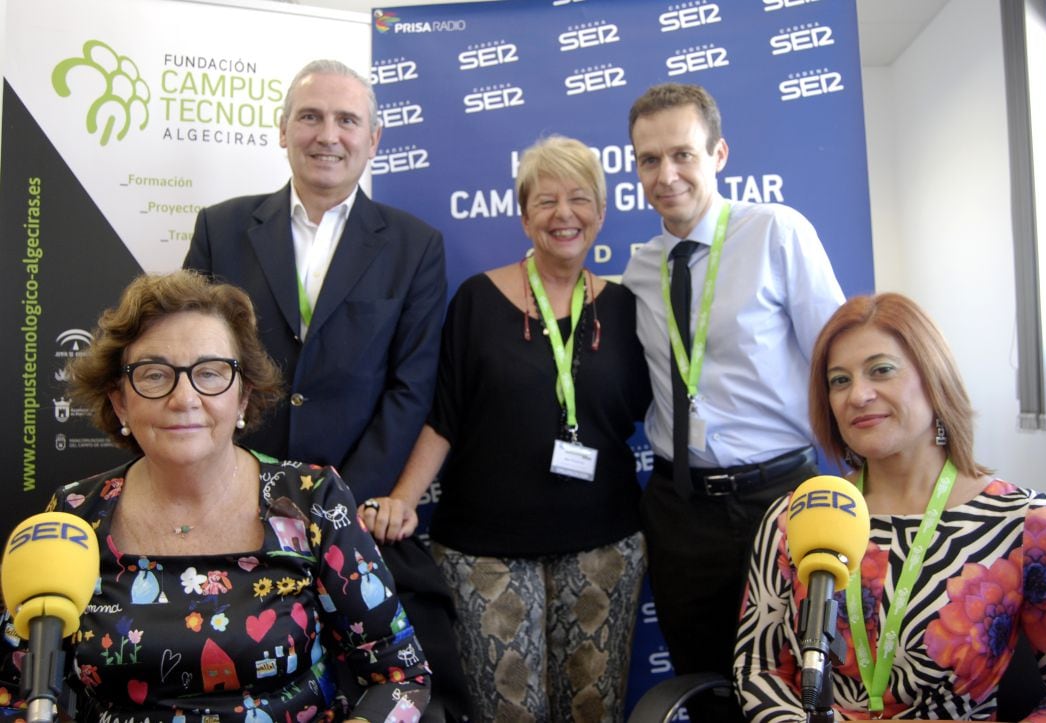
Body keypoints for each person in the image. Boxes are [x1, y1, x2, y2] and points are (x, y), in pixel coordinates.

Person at [0, 270, 430, 722]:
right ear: (120, 401)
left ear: (243, 397)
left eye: (209, 373)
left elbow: (402, 678)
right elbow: (14, 695)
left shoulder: (311, 502)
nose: (184, 397)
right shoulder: (74, 515)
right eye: (153, 374)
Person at [183, 60, 470, 719]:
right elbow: (195, 367)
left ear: (374, 139)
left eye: (348, 120)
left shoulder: (414, 245)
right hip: (232, 504)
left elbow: (412, 383)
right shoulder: (219, 229)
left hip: (358, 509)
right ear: (282, 129)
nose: (327, 134)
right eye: (310, 116)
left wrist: (333, 497)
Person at [363, 135, 651, 722]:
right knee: (506, 711)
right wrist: (401, 499)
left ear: (601, 212)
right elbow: (443, 415)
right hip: (485, 552)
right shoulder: (476, 300)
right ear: (523, 216)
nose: (563, 215)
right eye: (545, 201)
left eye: (579, 199)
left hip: (604, 544)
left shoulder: (626, 307)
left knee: (594, 708)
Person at [735, 292, 1046, 721]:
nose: (857, 395)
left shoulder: (1028, 526)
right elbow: (758, 667)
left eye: (881, 370)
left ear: (933, 379)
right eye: (839, 380)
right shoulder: (794, 518)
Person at [620, 82, 845, 718]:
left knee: (797, 686)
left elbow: (838, 361)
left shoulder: (777, 232)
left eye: (683, 154)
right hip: (679, 510)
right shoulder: (640, 268)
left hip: (778, 501)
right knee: (705, 687)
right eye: (648, 159)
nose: (666, 175)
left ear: (719, 153)